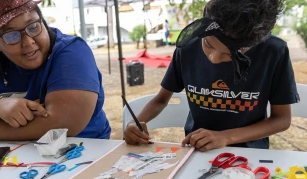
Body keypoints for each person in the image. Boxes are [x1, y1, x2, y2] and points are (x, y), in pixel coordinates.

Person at [124, 0, 300, 152]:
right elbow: (161, 99)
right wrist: (136, 122)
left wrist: (225, 137)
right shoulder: (187, 48)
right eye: (208, 44)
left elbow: (282, 120)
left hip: (249, 153)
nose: (214, 58)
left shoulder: (273, 52)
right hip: (197, 150)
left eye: (230, 56)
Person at [0, 0, 111, 142]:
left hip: (84, 153)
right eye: (11, 35)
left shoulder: (72, 52)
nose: (28, 42)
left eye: (33, 27)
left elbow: (63, 124)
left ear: (43, 21)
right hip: (17, 158)